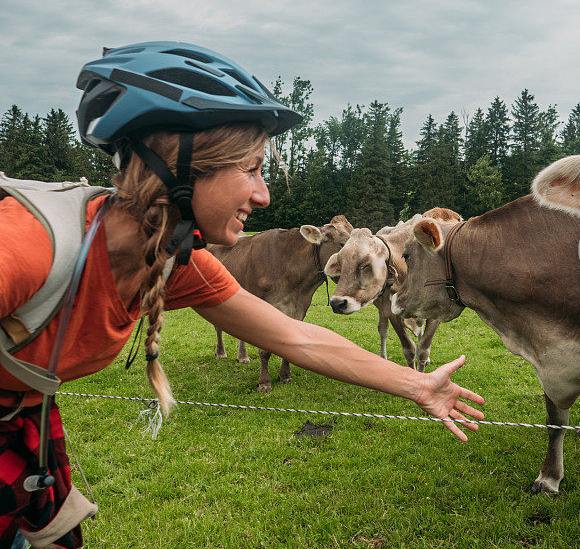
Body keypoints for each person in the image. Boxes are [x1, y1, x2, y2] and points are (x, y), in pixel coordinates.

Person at [0, 42, 484, 548]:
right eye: (250, 170)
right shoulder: (25, 250)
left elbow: (297, 339)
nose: (264, 194)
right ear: (183, 165)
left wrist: (419, 385)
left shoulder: (173, 258)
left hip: (23, 426)